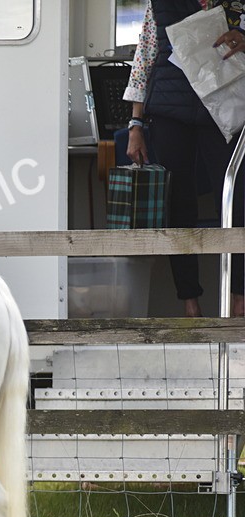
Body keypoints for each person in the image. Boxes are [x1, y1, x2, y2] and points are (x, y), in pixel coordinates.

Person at [124, 0, 245, 317]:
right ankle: (189, 302)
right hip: (170, 111)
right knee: (177, 204)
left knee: (238, 204)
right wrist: (135, 124)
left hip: (226, 111)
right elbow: (144, 59)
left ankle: (239, 297)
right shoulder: (160, 4)